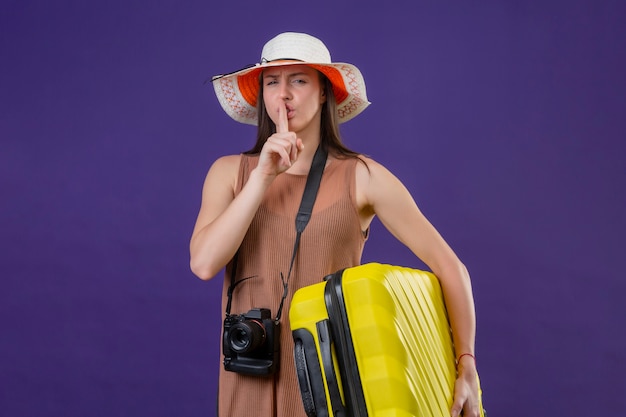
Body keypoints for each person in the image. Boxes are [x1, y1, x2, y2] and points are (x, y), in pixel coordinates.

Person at [190, 32, 481, 417]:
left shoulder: (362, 176)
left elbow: (450, 267)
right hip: (249, 375)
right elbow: (205, 264)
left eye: (299, 80)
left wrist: (466, 364)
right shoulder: (229, 173)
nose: (284, 95)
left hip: (330, 378)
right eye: (272, 82)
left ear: (324, 91)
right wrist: (262, 177)